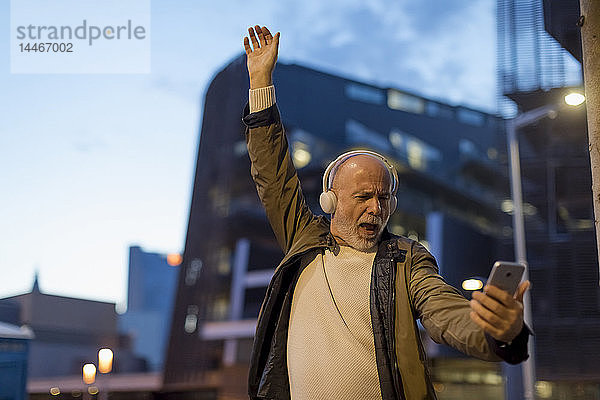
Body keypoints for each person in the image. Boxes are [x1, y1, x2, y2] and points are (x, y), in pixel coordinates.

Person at [242, 25, 531, 400]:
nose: (376, 208)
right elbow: (272, 172)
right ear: (330, 200)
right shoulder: (303, 237)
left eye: (384, 198)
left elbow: (445, 313)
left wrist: (499, 331)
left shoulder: (407, 260)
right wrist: (261, 81)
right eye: (363, 196)